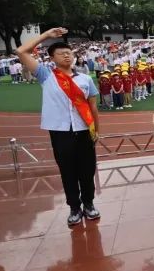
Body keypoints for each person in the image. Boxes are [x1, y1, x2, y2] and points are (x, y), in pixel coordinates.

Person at [16, 28, 102, 227]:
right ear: (52, 58)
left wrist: (96, 131)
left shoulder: (85, 79)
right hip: (61, 133)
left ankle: (89, 204)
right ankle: (74, 207)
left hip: (84, 131)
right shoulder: (46, 76)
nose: (66, 55)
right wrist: (46, 35)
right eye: (61, 53)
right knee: (68, 171)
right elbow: (21, 52)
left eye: (69, 52)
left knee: (87, 171)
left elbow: (93, 108)